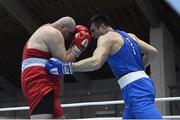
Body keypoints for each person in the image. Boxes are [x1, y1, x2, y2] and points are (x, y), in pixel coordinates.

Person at [45, 14, 162, 119]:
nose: (92, 35)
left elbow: (96, 62)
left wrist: (66, 67)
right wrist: (140, 68)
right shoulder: (130, 36)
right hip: (140, 85)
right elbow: (153, 52)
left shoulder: (106, 38)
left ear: (102, 27)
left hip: (136, 88)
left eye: (93, 30)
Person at [21, 16, 91, 119]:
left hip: (41, 80)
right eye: (69, 33)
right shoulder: (54, 33)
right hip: (39, 81)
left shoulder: (45, 29)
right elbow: (65, 61)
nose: (67, 38)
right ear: (62, 27)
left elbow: (61, 60)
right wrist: (78, 48)